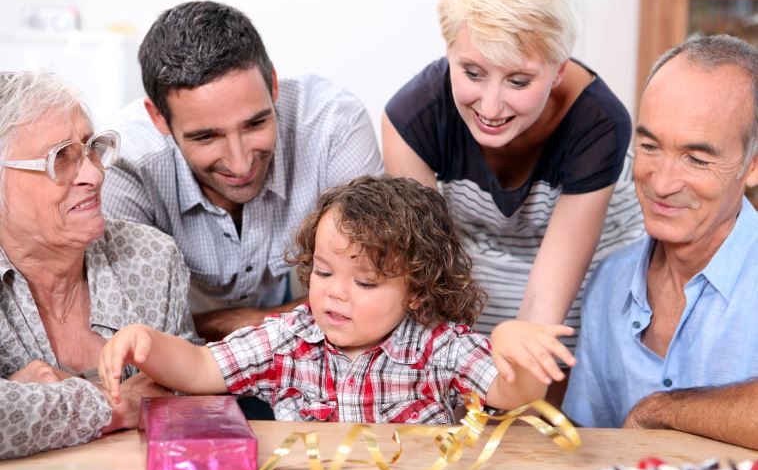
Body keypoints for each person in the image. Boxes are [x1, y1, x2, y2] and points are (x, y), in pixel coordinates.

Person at [99, 176, 570, 422]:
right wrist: (147, 343)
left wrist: (513, 346)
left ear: (416, 291)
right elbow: (200, 370)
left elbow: (510, 395)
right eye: (323, 271)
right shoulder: (289, 338)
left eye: (365, 283)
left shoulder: (439, 348)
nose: (335, 292)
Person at [382, 0, 644, 401]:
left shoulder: (600, 125)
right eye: (472, 72)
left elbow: (541, 320)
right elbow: (432, 285)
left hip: (583, 270)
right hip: (477, 265)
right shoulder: (412, 117)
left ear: (558, 70)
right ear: (449, 52)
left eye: (518, 82)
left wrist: (516, 378)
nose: (490, 106)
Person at [102, 1, 383, 343]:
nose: (240, 164)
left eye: (255, 123)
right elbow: (136, 329)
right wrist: (218, 326)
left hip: (284, 333)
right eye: (206, 136)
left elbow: (375, 288)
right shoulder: (125, 163)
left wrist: (246, 321)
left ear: (273, 84)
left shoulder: (332, 125)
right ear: (158, 118)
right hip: (179, 348)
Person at [562, 35, 758, 450]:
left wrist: (659, 412)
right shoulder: (610, 281)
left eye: (696, 158)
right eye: (649, 147)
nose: (662, 183)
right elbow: (587, 445)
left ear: (752, 165)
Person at [0, 71, 200, 459]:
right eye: (61, 158)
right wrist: (114, 405)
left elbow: (190, 396)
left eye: (92, 148)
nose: (94, 174)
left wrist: (36, 399)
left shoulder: (152, 258)